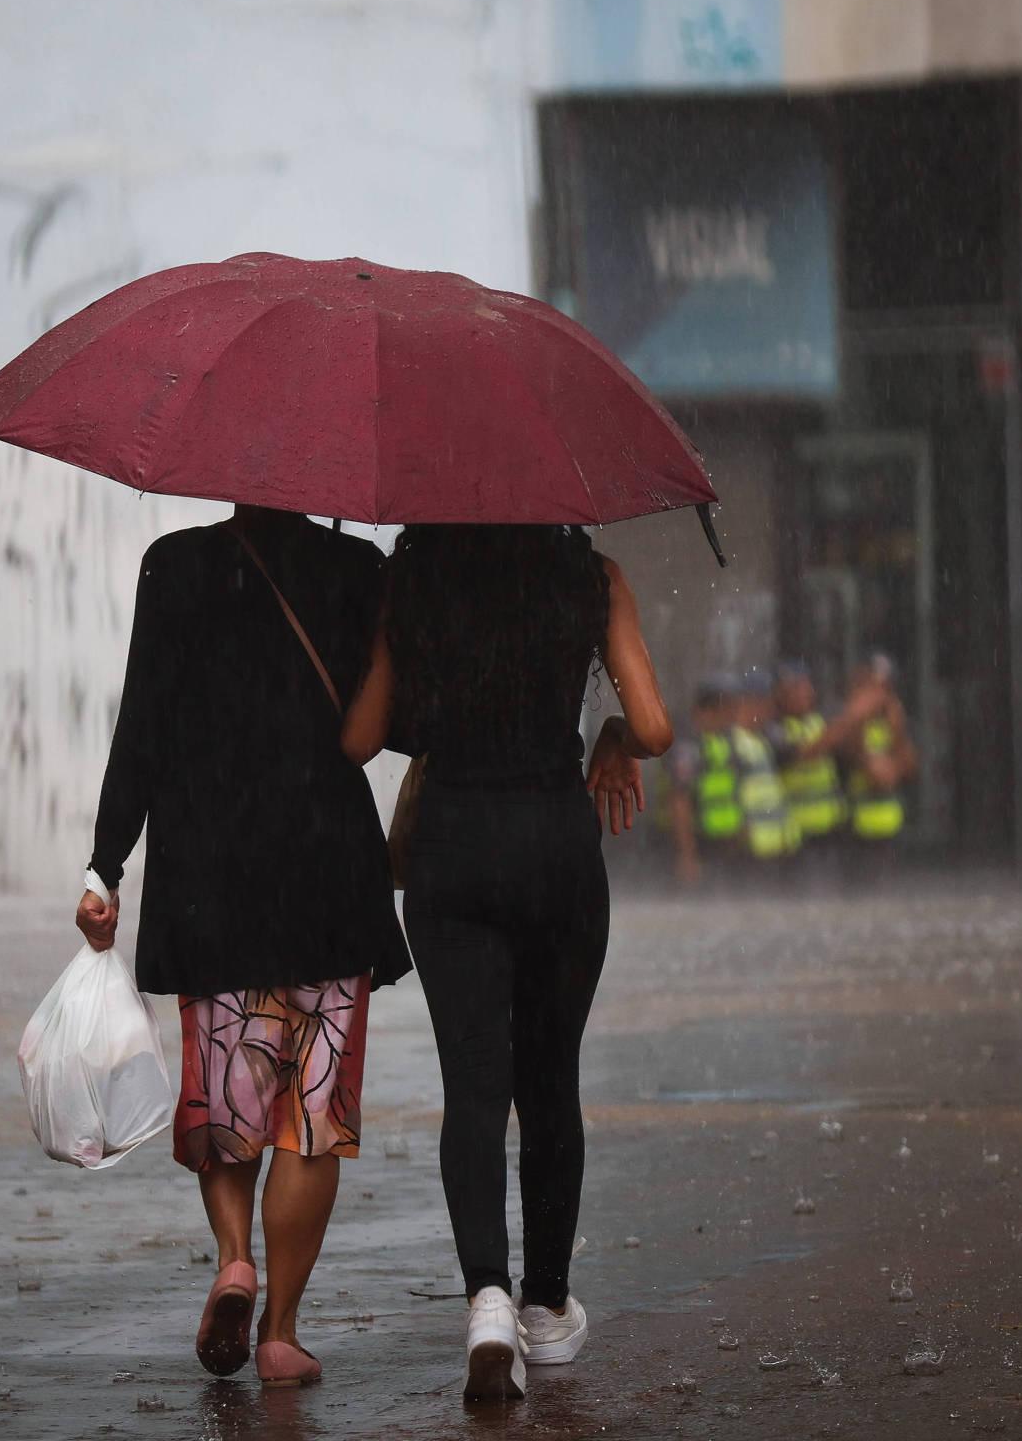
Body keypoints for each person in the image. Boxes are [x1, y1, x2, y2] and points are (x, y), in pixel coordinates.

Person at [75, 504, 411, 1389]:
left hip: (211, 877)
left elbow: (140, 726)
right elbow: (394, 722)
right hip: (329, 878)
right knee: (310, 1119)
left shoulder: (174, 565)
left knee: (229, 1098)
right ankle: (282, 1332)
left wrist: (105, 866)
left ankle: (233, 1259)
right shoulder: (357, 572)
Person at [340, 524, 672, 1399]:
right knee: (549, 1079)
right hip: (558, 846)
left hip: (453, 846)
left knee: (475, 1087)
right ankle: (547, 1309)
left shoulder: (415, 572)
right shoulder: (590, 577)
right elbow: (654, 725)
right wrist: (608, 738)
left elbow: (361, 738)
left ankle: (487, 1300)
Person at [666, 674, 793, 884]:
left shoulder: (728, 740)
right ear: (708, 711)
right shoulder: (689, 745)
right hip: (700, 843)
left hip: (728, 845)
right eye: (729, 708)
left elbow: (735, 792)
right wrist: (687, 855)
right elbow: (680, 800)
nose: (734, 715)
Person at [836, 652, 916, 851]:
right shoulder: (848, 721)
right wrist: (860, 716)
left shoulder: (889, 723)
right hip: (858, 829)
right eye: (872, 685)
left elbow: (910, 767)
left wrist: (898, 728)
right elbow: (880, 776)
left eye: (884, 687)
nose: (879, 694)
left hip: (889, 828)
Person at [770, 661, 848, 846]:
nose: (805, 694)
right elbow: (806, 753)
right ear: (779, 695)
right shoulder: (774, 728)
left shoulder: (818, 722)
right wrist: (851, 717)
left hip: (831, 826)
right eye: (795, 689)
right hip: (797, 831)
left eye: (806, 687)